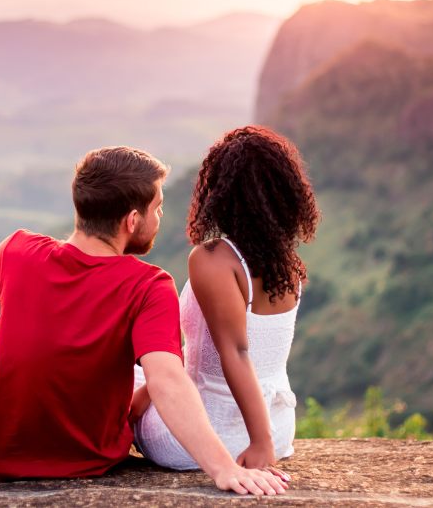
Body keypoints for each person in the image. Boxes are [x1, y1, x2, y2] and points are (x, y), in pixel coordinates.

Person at [0, 146, 289, 496]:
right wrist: (224, 468)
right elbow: (167, 382)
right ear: (132, 221)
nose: (159, 218)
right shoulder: (149, 285)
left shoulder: (18, 249)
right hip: (91, 456)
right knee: (156, 363)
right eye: (157, 209)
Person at [131, 126, 319, 471]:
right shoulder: (286, 265)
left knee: (125, 372)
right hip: (278, 430)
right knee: (147, 376)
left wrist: (260, 444)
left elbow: (235, 351)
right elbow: (221, 351)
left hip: (204, 437)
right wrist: (267, 439)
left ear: (220, 192)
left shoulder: (212, 260)